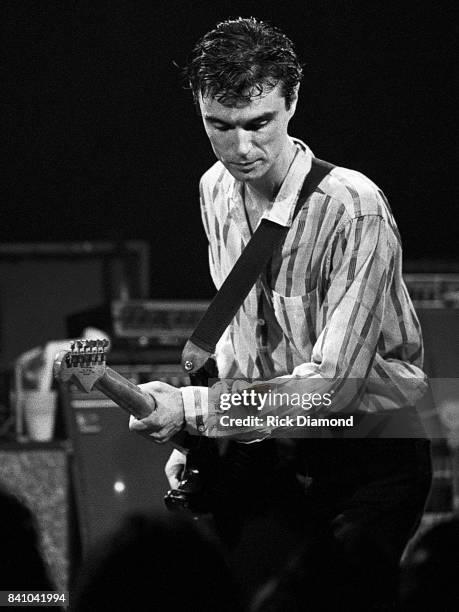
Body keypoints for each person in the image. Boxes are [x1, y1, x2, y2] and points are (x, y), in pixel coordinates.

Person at [130, 17, 432, 608]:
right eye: (220, 126)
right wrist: (198, 440)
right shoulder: (213, 188)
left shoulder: (354, 208)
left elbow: (334, 388)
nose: (241, 148)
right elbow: (236, 339)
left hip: (366, 455)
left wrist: (195, 407)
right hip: (269, 446)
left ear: (292, 102)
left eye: (259, 123)